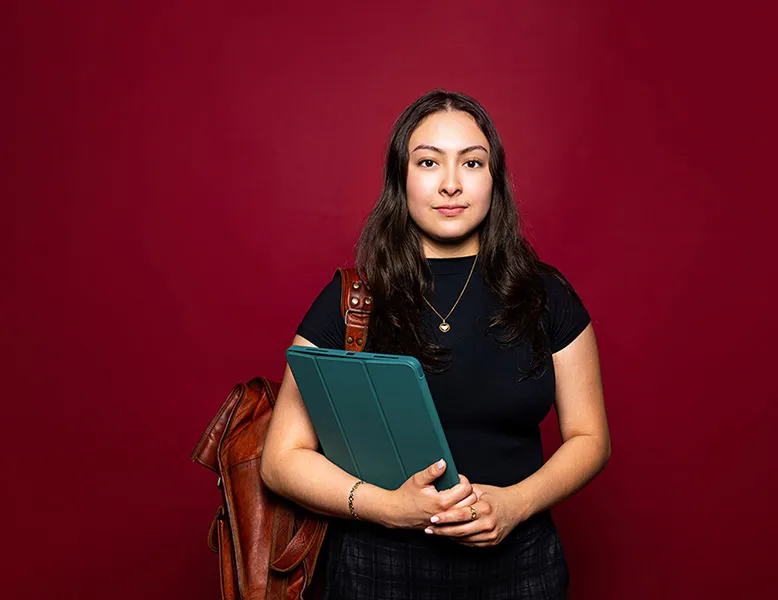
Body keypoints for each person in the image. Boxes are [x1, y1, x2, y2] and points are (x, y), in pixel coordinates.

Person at [260, 89, 610, 599]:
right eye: (428, 162)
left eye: (472, 162)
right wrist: (389, 507)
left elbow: (589, 437)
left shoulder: (546, 295)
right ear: (401, 179)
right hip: (376, 570)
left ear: (495, 181)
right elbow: (280, 459)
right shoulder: (355, 299)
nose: (450, 184)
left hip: (519, 567)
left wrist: (515, 503)